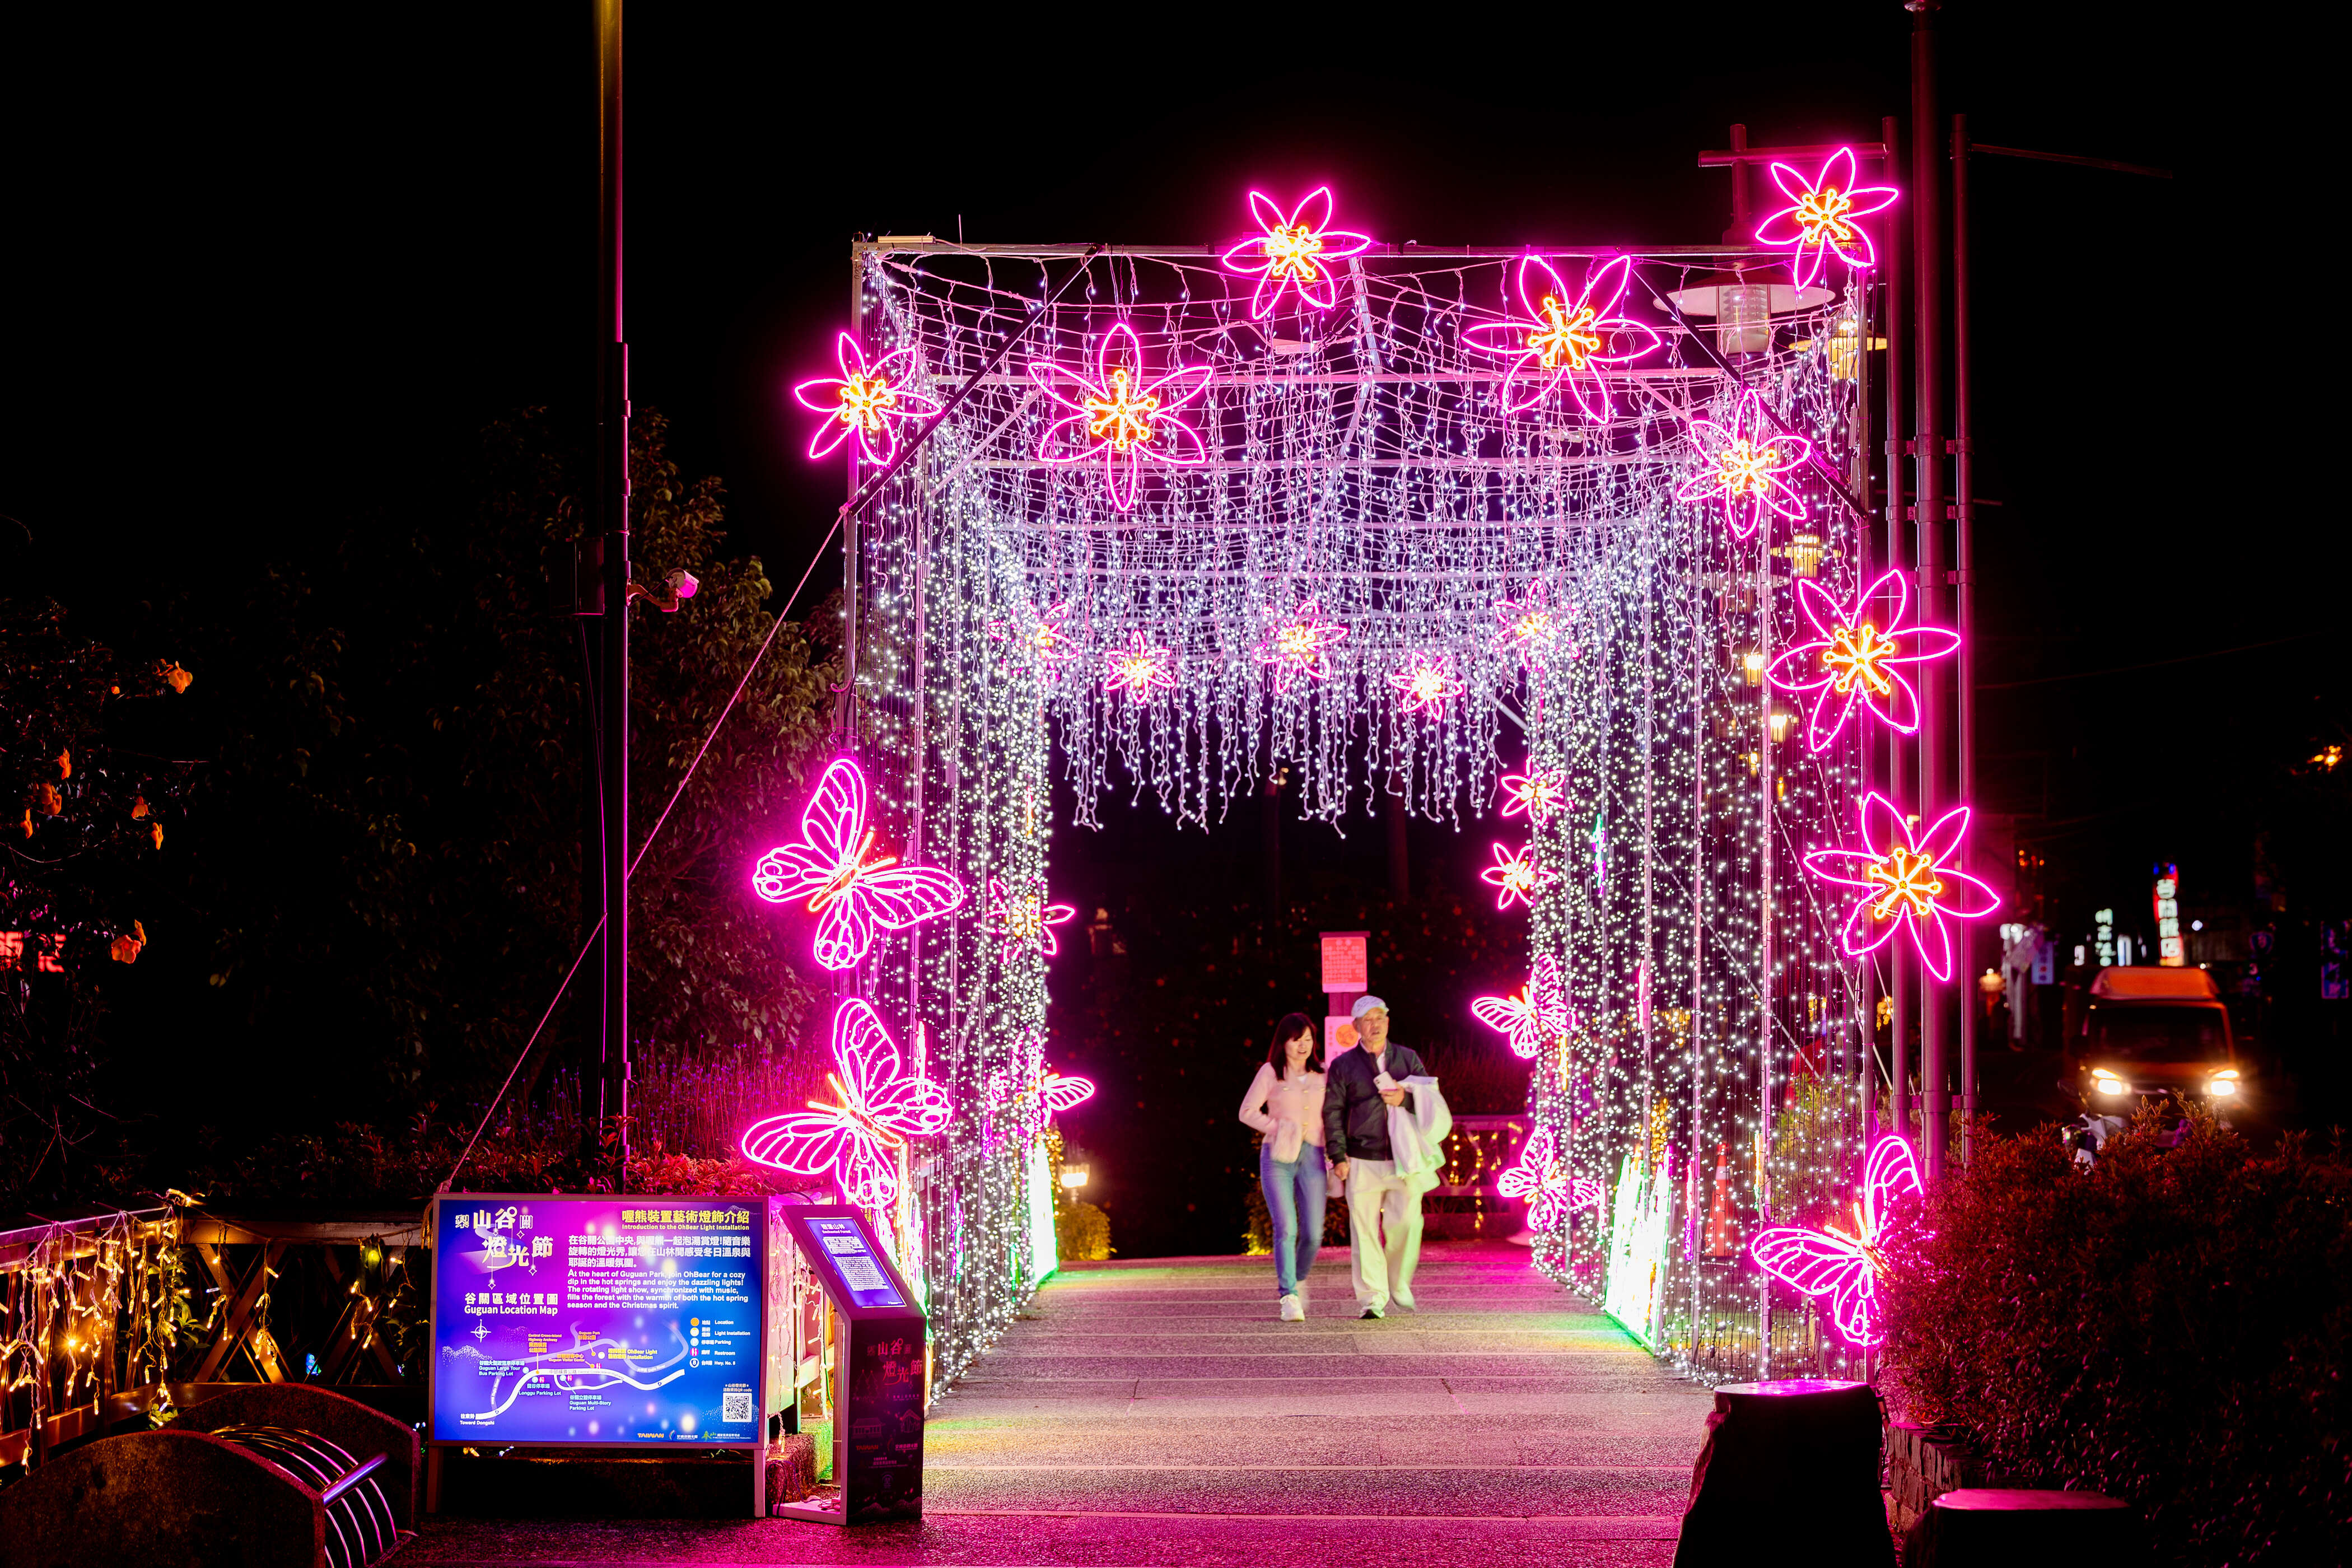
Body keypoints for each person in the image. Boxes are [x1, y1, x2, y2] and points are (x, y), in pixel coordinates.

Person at [1323, 994, 1429, 1318]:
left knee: (1407, 1224)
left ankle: (1397, 1282)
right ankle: (1373, 1297)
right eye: (1368, 1020)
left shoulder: (1408, 1058)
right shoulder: (1343, 1066)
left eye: (1380, 1017)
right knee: (1364, 1229)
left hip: (1403, 1159)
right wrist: (1338, 1155)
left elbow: (1431, 1100)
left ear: (1388, 1021)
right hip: (1361, 1158)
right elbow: (1333, 1112)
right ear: (1356, 1026)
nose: (1376, 1025)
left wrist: (1405, 1100)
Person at [1239, 1012, 1327, 1322]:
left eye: (1308, 1039)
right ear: (1283, 1042)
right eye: (1296, 1039)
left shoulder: (1323, 1073)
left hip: (1314, 1156)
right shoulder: (1270, 1072)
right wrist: (1277, 1127)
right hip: (1277, 1156)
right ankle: (1288, 1295)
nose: (1303, 1045)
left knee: (1315, 1232)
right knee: (1286, 1227)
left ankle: (1299, 1278)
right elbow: (1247, 1111)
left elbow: (1333, 1114)